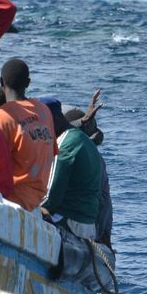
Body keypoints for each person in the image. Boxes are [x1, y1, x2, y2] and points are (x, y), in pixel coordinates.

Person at [0, 58, 56, 211]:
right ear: (28, 83)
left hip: (12, 201)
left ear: (1, 82)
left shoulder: (2, 116)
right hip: (37, 201)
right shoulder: (44, 111)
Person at [39, 97, 102, 240]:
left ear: (52, 120)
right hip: (87, 222)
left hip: (71, 221)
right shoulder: (80, 138)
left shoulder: (65, 145)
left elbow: (51, 198)